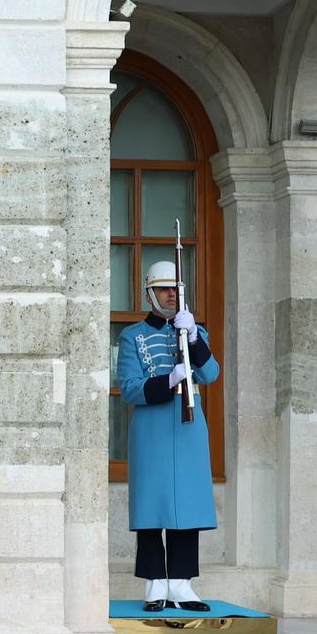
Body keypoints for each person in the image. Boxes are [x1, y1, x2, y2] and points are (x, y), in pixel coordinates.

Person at [117, 260, 220, 613]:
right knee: (151, 507)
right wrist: (168, 380)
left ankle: (181, 583)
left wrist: (193, 337)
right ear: (150, 293)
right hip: (152, 429)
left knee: (187, 507)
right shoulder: (132, 336)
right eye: (164, 289)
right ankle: (155, 583)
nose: (172, 295)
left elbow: (210, 373)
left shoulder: (195, 332)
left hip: (189, 429)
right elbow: (130, 388)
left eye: (176, 290)